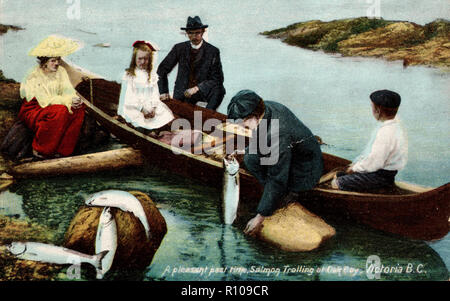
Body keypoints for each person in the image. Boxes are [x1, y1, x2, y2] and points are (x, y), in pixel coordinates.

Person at [227, 90, 324, 236]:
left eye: (243, 122)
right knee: (249, 158)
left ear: (254, 116)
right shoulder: (266, 108)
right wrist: (244, 150)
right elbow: (262, 136)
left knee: (276, 182)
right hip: (288, 154)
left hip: (304, 170)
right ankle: (271, 196)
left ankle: (280, 197)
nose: (240, 127)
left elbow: (277, 177)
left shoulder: (278, 134)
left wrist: (260, 217)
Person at [18, 35, 85, 158]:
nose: (57, 63)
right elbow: (45, 100)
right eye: (53, 61)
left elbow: (68, 90)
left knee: (79, 109)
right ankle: (41, 150)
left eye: (58, 60)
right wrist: (67, 101)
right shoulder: (34, 75)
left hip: (55, 104)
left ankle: (63, 151)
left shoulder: (61, 72)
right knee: (60, 111)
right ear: (44, 62)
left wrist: (73, 99)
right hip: (34, 108)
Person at [331, 90, 408, 192]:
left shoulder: (385, 132)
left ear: (378, 110)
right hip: (388, 175)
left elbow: (375, 162)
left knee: (336, 182)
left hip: (378, 177)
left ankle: (377, 191)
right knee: (341, 174)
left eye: (372, 107)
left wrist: (354, 168)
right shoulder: (396, 127)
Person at [157, 16, 225, 110]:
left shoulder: (212, 51)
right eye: (190, 33)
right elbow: (162, 69)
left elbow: (217, 79)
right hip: (182, 95)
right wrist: (163, 92)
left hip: (201, 95)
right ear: (186, 33)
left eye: (197, 33)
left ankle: (207, 116)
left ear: (203, 32)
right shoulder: (179, 48)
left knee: (220, 90)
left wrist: (197, 88)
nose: (194, 37)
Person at [117, 40, 174, 131]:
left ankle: (157, 130)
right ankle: (145, 130)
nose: (143, 62)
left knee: (163, 115)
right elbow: (128, 97)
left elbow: (154, 93)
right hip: (134, 106)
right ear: (134, 59)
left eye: (146, 59)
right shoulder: (130, 75)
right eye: (140, 59)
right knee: (138, 120)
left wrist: (153, 107)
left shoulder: (151, 75)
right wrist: (142, 109)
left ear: (150, 60)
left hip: (149, 105)